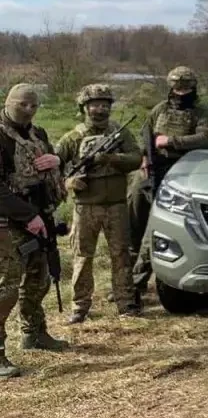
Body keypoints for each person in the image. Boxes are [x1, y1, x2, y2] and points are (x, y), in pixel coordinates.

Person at [56, 84, 143, 323]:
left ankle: (126, 303)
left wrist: (111, 158)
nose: (100, 109)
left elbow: (136, 158)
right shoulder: (73, 137)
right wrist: (69, 182)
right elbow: (53, 167)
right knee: (82, 257)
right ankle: (80, 306)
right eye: (95, 105)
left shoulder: (120, 134)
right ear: (84, 107)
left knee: (121, 255)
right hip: (85, 207)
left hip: (116, 205)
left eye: (105, 105)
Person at [0, 83, 69, 378]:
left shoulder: (37, 133)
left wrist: (56, 159)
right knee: (6, 287)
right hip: (7, 221)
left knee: (40, 278)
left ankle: (34, 333)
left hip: (39, 214)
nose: (28, 110)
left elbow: (50, 165)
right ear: (8, 102)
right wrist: (27, 216)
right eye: (22, 105)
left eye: (33, 106)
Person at [128, 66, 208, 293]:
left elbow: (205, 138)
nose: (181, 93)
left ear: (193, 88)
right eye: (177, 89)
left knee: (154, 226)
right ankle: (124, 275)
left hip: (180, 172)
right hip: (151, 169)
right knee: (133, 217)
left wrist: (171, 141)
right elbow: (146, 135)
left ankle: (137, 281)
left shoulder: (201, 112)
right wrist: (144, 159)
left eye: (186, 89)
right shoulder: (160, 109)